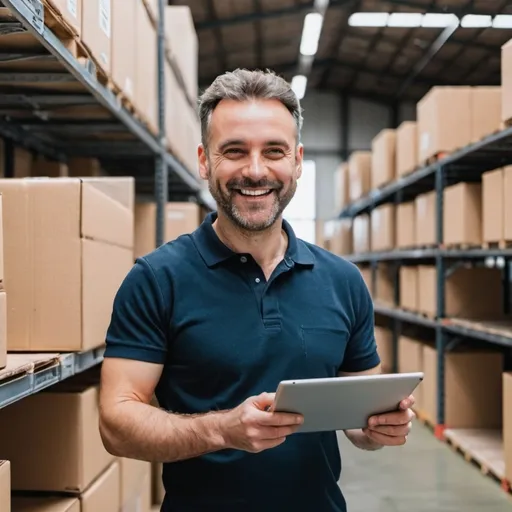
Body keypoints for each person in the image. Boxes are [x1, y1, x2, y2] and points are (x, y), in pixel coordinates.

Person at [99, 68, 415, 512]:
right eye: (234, 151)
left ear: (298, 160)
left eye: (274, 152)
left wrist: (380, 428)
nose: (255, 170)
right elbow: (116, 422)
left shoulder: (343, 281)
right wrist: (222, 430)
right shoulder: (156, 279)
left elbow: (360, 422)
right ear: (205, 160)